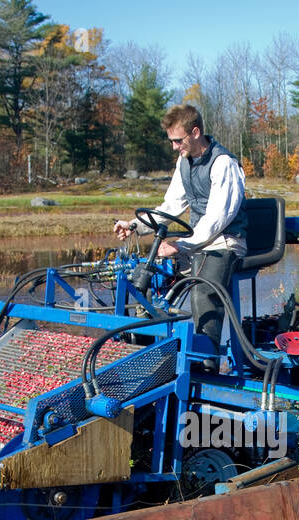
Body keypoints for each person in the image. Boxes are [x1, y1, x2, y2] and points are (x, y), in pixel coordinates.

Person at [112, 104, 246, 346]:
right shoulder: (184, 162)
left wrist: (181, 245)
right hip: (196, 242)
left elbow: (218, 217)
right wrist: (135, 226)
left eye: (177, 140)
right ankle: (149, 347)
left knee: (202, 291)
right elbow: (171, 206)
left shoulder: (223, 163)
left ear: (195, 132)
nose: (174, 147)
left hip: (225, 241)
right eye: (171, 141)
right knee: (150, 278)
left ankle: (206, 360)